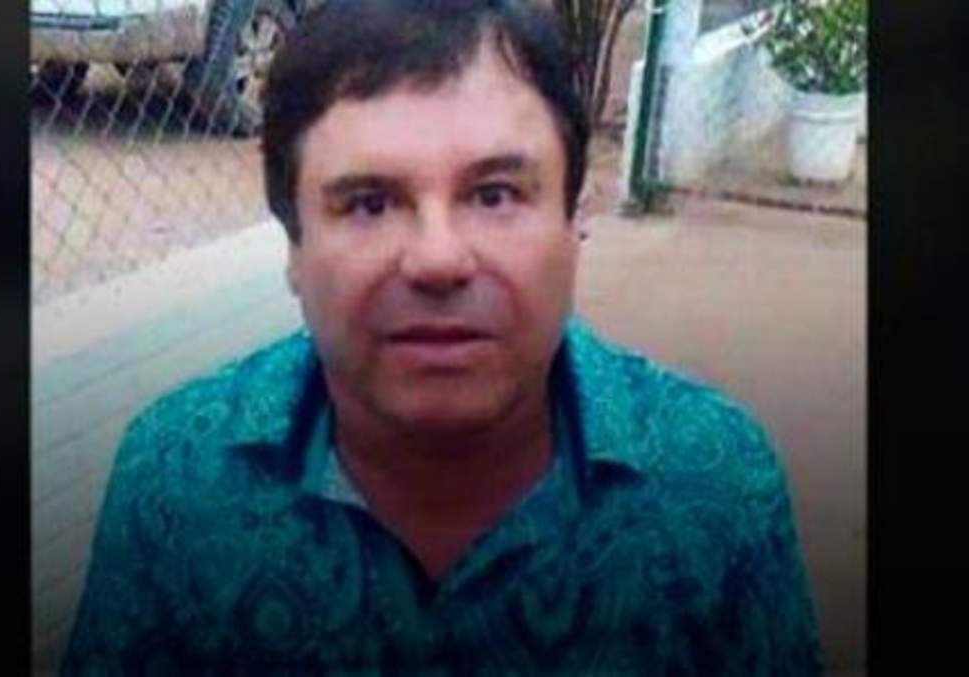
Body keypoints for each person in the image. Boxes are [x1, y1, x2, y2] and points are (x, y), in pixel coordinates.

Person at [61, 0, 824, 673]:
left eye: (494, 195)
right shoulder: (177, 482)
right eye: (368, 203)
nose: (437, 259)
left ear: (574, 221)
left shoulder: (715, 484)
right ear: (293, 246)